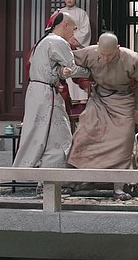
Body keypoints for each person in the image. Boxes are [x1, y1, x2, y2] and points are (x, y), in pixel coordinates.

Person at [67, 32, 138, 200]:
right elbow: (68, 58)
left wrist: (137, 111)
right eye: (102, 54)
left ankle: (119, 185)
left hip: (124, 100)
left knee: (124, 139)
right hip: (99, 99)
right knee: (85, 133)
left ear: (118, 49)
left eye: (109, 55)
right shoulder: (90, 53)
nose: (105, 59)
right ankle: (82, 180)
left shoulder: (132, 59)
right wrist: (78, 78)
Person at [14, 11, 90, 169]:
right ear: (65, 25)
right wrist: (92, 72)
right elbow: (73, 67)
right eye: (73, 29)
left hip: (37, 92)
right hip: (47, 94)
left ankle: (29, 172)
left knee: (37, 134)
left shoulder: (44, 41)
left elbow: (54, 70)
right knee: (58, 135)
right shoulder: (58, 41)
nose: (73, 33)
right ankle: (51, 175)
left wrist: (62, 72)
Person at [57, 0, 92, 104]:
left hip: (76, 48)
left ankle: (80, 98)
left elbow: (85, 31)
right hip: (62, 47)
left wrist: (74, 39)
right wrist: (65, 39)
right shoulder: (59, 13)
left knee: (76, 70)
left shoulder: (82, 13)